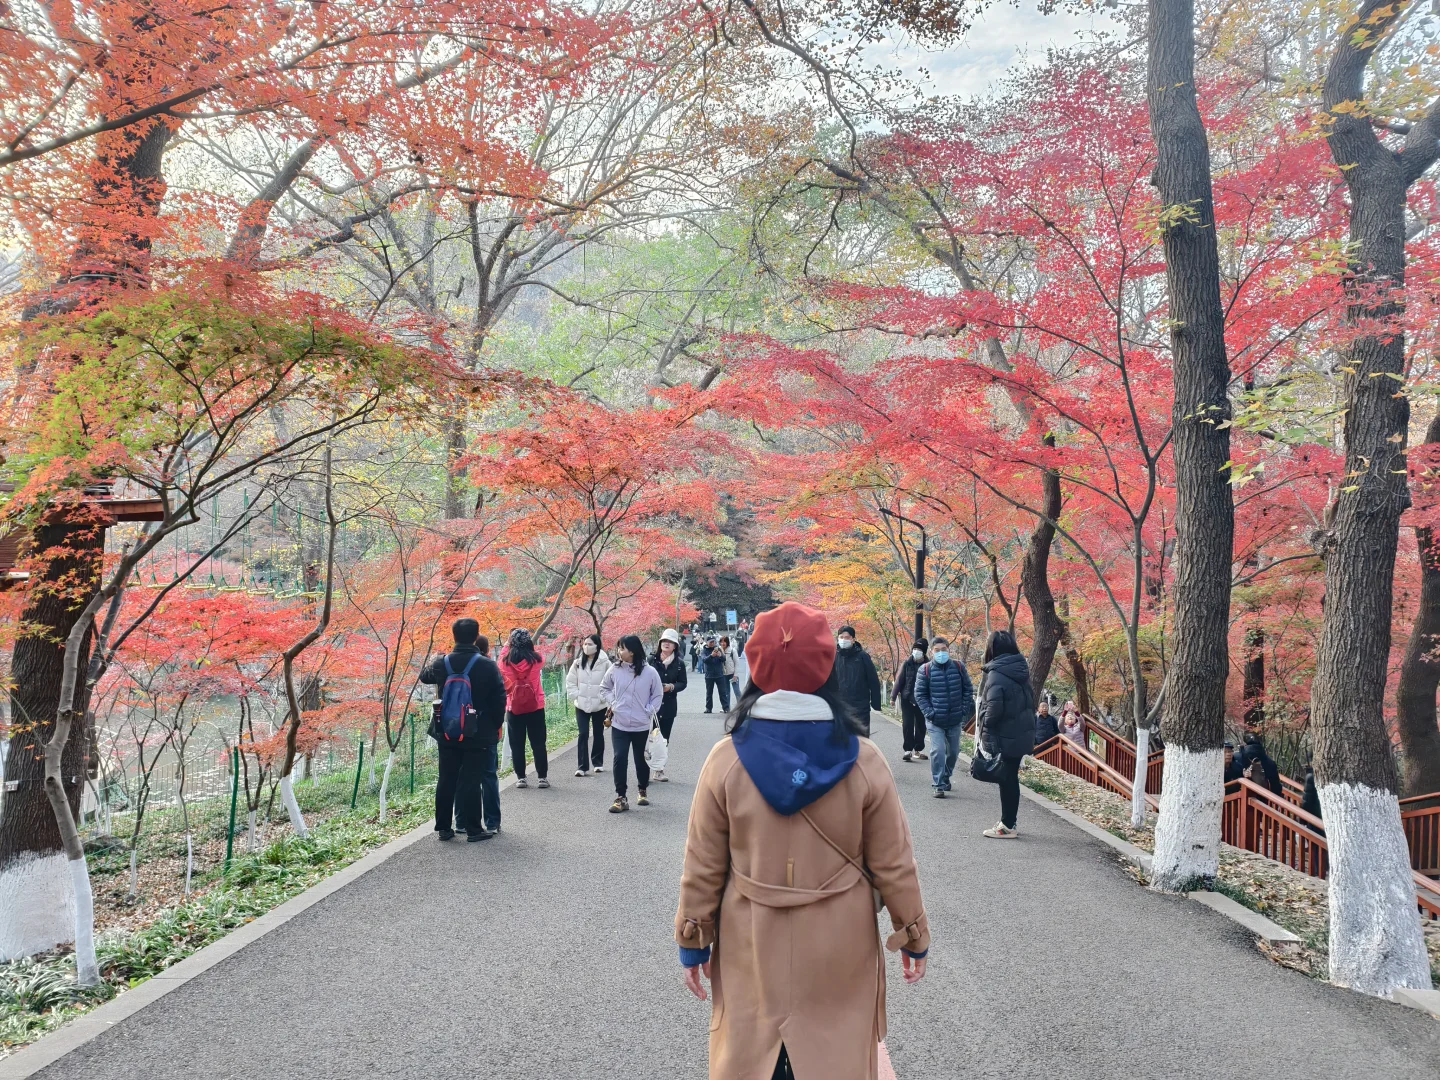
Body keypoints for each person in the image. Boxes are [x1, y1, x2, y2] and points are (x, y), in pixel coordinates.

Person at [675, 601, 930, 1080]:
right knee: (834, 1054)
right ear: (827, 664)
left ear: (756, 665)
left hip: (751, 933)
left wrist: (693, 940)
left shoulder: (726, 758)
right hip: (841, 936)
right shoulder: (864, 760)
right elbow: (894, 863)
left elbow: (703, 863)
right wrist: (913, 934)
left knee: (755, 1050)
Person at [420, 619, 505, 842]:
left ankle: (444, 829)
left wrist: (434, 655)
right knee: (471, 779)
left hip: (447, 731)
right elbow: (499, 699)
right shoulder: (487, 665)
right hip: (476, 731)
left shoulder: (442, 663)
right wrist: (496, 725)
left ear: (454, 636)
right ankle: (474, 829)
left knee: (447, 778)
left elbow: (424, 676)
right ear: (476, 636)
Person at [976, 630, 1035, 838]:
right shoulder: (1020, 669)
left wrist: (984, 725)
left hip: (1005, 735)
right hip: (1020, 733)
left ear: (993, 649)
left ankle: (1008, 826)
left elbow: (993, 710)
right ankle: (1008, 821)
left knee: (1007, 779)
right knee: (1010, 778)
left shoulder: (997, 674)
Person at [602, 634, 663, 813]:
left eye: (622, 648)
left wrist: (649, 710)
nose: (619, 651)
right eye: (619, 648)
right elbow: (604, 688)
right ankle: (621, 797)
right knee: (619, 758)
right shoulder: (614, 669)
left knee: (640, 760)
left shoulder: (650, 672)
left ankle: (642, 790)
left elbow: (657, 694)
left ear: (633, 651)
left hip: (641, 724)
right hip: (620, 723)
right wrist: (613, 703)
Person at [913, 635, 975, 798]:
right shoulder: (924, 669)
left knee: (953, 753)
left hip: (955, 719)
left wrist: (963, 710)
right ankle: (938, 784)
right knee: (938, 751)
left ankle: (946, 777)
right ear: (932, 652)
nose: (941, 653)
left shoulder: (959, 667)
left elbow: (968, 689)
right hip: (935, 721)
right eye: (937, 650)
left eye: (944, 650)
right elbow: (920, 694)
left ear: (949, 649)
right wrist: (929, 712)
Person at [500, 628, 549, 789]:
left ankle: (521, 778)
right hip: (536, 706)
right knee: (538, 743)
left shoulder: (505, 662)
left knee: (517, 744)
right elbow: (540, 655)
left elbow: (500, 659)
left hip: (513, 708)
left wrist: (507, 644)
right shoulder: (537, 660)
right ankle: (542, 777)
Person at [566, 633, 611, 777]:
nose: (586, 647)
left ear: (597, 646)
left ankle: (597, 763)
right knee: (583, 733)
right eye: (585, 644)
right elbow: (570, 681)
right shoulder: (578, 663)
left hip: (600, 705)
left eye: (590, 644)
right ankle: (582, 766)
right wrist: (576, 694)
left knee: (598, 733)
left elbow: (612, 682)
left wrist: (604, 698)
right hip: (581, 704)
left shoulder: (605, 663)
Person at [650, 628, 689, 782]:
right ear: (660, 644)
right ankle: (645, 769)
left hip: (669, 706)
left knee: (663, 739)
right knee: (649, 738)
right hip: (651, 706)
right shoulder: (652, 660)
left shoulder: (679, 664)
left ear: (675, 646)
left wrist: (671, 687)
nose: (667, 644)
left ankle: (659, 769)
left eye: (670, 642)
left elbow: (683, 683)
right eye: (664, 641)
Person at [832, 625, 882, 735]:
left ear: (853, 639)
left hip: (859, 706)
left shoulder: (862, 656)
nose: (844, 640)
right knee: (840, 740)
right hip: (839, 705)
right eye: (841, 637)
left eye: (847, 637)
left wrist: (876, 702)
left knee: (861, 740)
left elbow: (873, 680)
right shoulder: (833, 656)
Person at [893, 638, 929, 763]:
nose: (916, 651)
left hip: (922, 700)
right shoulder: (907, 663)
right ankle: (907, 750)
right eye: (914, 649)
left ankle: (918, 750)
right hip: (907, 698)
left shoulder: (929, 665)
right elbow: (899, 681)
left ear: (924, 652)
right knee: (907, 724)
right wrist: (893, 696)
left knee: (920, 725)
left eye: (919, 649)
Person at [702, 638, 731, 714]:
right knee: (709, 693)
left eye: (713, 642)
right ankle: (708, 708)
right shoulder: (704, 650)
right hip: (709, 675)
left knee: (722, 693)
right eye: (710, 642)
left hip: (719, 674)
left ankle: (726, 708)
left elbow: (724, 659)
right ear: (707, 643)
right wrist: (711, 656)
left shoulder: (718, 649)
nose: (712, 643)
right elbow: (704, 660)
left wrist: (720, 656)